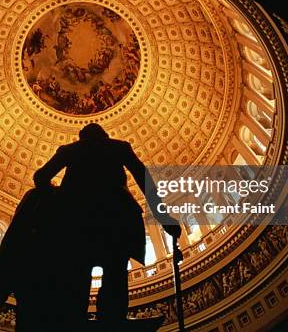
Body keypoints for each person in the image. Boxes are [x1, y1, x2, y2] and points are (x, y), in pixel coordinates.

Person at [33, 122, 182, 327]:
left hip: (76, 221)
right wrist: (164, 218)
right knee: (116, 272)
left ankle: (75, 318)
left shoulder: (69, 150)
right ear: (104, 135)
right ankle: (113, 318)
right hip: (116, 219)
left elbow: (40, 177)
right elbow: (144, 179)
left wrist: (57, 196)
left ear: (81, 137)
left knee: (77, 273)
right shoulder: (119, 147)